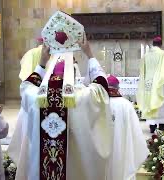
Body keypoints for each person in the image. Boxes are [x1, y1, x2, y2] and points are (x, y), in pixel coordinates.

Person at [8, 34, 112, 180]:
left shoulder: (35, 96)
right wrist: (90, 55)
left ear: (50, 75)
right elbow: (101, 86)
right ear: (73, 75)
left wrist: (42, 63)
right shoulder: (81, 96)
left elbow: (26, 85)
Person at [106, 75, 149, 180]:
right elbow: (136, 134)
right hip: (123, 155)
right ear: (117, 88)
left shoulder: (99, 104)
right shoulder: (126, 105)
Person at [137, 36, 164, 133]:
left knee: (150, 103)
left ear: (153, 44)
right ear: (160, 44)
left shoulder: (146, 55)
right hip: (161, 83)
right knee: (162, 104)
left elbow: (142, 69)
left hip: (148, 83)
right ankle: (162, 126)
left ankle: (152, 126)